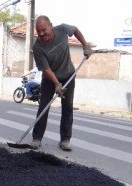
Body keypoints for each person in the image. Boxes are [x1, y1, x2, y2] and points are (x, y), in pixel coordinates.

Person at [29, 15, 93, 151]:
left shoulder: (62, 30)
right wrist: (57, 84)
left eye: (43, 30)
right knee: (43, 107)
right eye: (38, 31)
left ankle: (65, 140)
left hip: (68, 75)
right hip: (49, 78)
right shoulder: (38, 47)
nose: (41, 34)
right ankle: (36, 138)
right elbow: (45, 69)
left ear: (50, 26)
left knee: (67, 107)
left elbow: (75, 30)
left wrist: (85, 45)